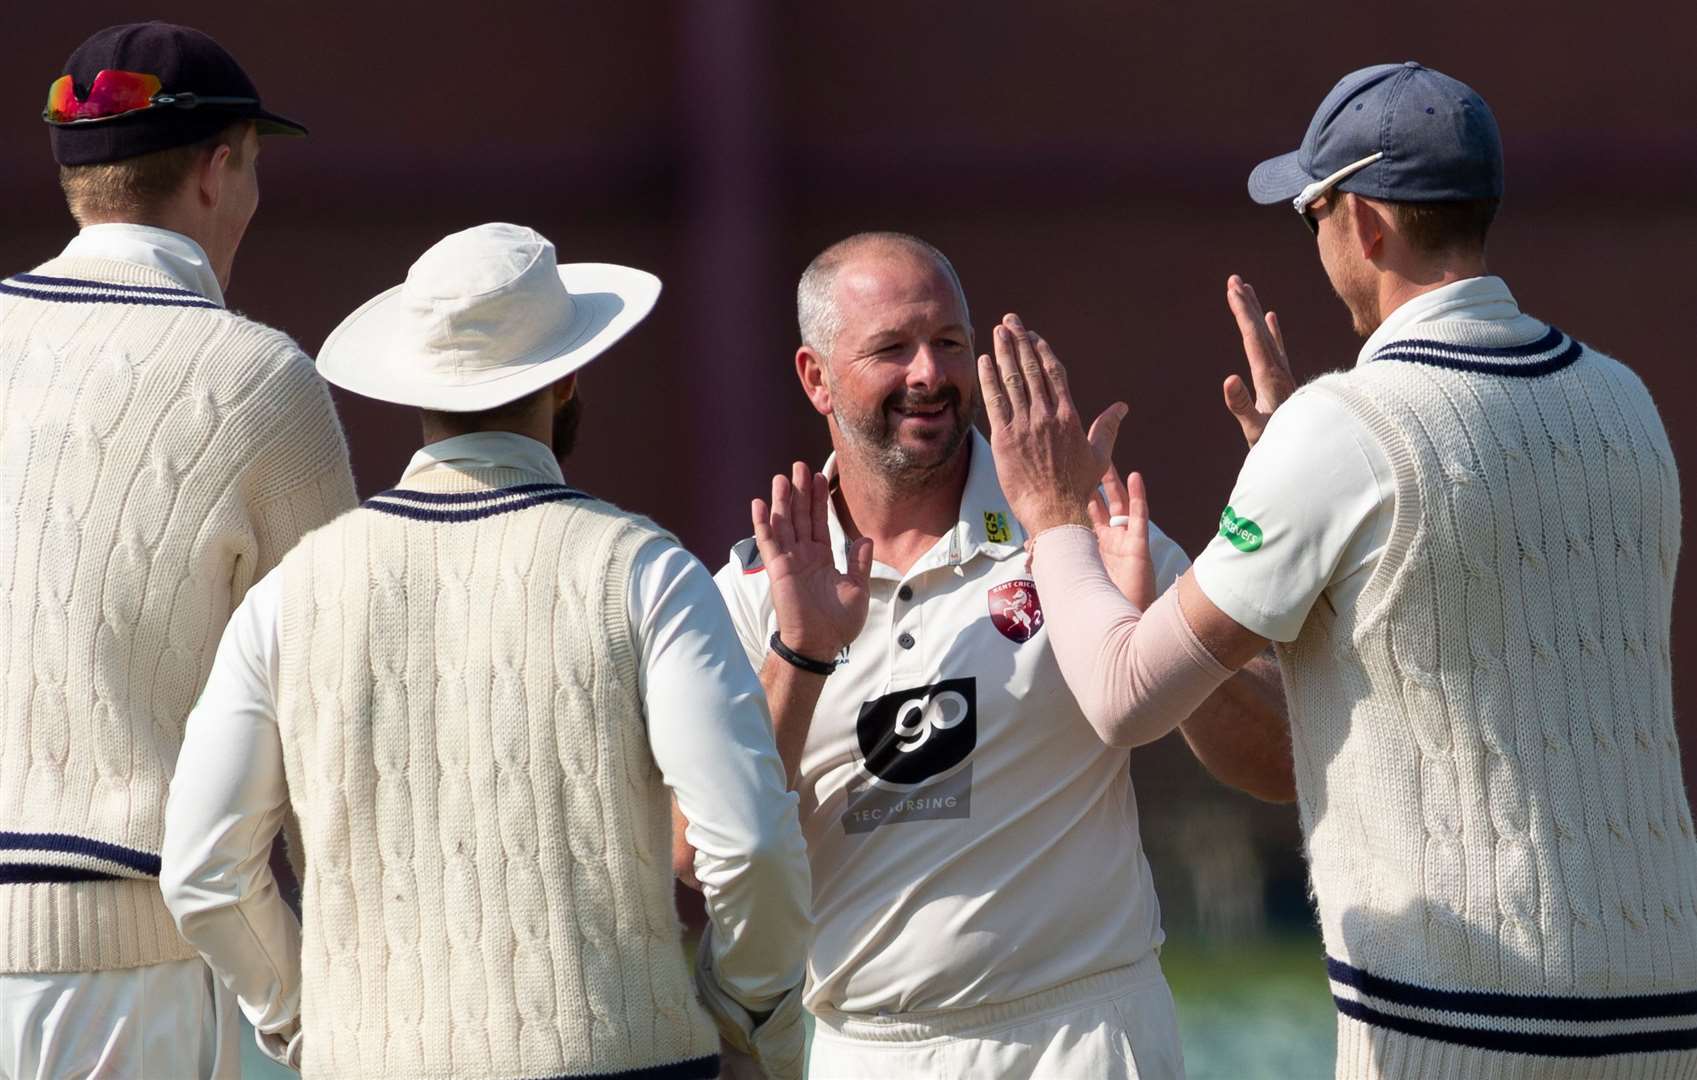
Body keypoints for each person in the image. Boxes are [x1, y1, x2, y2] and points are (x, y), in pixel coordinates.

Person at [981, 63, 1697, 1078]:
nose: (1312, 239)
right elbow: (1360, 705)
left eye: (1307, 213)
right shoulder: (1624, 401)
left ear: (1361, 224)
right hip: (1665, 1014)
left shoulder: (1343, 427)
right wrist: (1275, 511)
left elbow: (1119, 696)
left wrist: (1054, 519)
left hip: (1456, 1027)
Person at [159, 223, 813, 1079]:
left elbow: (205, 873)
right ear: (569, 376)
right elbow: (750, 841)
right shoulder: (642, 570)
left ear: (412, 385)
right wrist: (745, 1010)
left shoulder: (293, 591)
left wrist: (310, 1025)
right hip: (620, 1061)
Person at [695, 231, 1288, 1079]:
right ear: (815, 377)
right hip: (867, 1050)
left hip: (1081, 1037)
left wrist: (1151, 633)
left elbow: (1278, 761)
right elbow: (695, 849)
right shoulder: (761, 585)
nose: (929, 376)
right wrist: (800, 651)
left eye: (948, 344)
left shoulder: (1074, 521)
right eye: (891, 350)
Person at [0, 22, 355, 1078]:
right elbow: (336, 708)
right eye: (251, 168)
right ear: (215, 171)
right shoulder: (258, 380)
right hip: (130, 967)